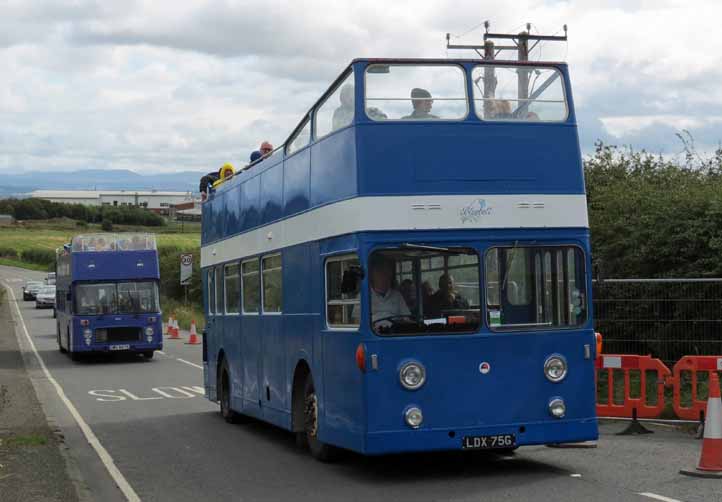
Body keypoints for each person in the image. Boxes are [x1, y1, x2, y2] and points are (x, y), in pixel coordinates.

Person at [369, 256, 410, 323]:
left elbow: (407, 318)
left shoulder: (397, 295)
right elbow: (357, 320)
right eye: (381, 273)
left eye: (388, 273)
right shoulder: (364, 296)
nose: (385, 277)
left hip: (394, 332)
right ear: (372, 276)